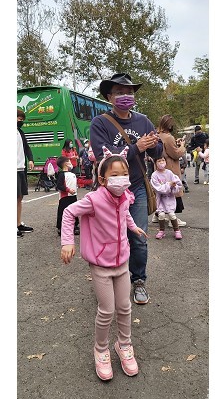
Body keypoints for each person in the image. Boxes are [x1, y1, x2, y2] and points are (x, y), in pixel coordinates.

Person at [60, 147, 148, 380]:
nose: (121, 179)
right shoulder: (94, 200)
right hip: (101, 265)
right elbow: (68, 213)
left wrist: (133, 227)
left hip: (122, 262)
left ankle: (124, 345)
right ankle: (101, 350)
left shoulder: (125, 196)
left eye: (124, 174)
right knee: (107, 310)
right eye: (115, 175)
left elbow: (125, 213)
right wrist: (67, 242)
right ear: (102, 179)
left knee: (125, 307)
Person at [89, 72, 163, 305]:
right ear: (109, 97)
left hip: (137, 188)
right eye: (120, 92)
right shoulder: (100, 123)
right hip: (108, 192)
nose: (126, 96)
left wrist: (153, 145)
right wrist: (136, 147)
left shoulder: (143, 121)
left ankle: (138, 280)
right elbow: (103, 156)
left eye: (129, 92)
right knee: (109, 237)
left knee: (138, 237)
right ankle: (108, 279)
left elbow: (158, 152)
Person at [153, 114, 187, 227]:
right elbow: (175, 154)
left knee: (162, 193)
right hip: (170, 167)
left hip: (159, 167)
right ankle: (173, 220)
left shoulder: (158, 135)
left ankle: (158, 215)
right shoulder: (168, 137)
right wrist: (182, 146)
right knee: (173, 193)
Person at [150, 156, 183, 240]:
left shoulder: (169, 173)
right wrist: (169, 184)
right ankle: (161, 230)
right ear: (155, 163)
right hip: (160, 199)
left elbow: (178, 184)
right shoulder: (154, 175)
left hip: (169, 198)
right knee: (161, 215)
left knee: (171, 214)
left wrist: (174, 186)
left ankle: (177, 230)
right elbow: (158, 188)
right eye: (159, 161)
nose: (161, 162)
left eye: (163, 160)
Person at [17, 109, 35, 238]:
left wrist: (31, 159)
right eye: (19, 118)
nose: (21, 121)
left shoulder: (20, 132)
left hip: (21, 168)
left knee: (20, 197)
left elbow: (26, 147)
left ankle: (18, 224)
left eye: (22, 119)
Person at [55, 156, 80, 236]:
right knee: (63, 211)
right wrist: (68, 190)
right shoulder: (61, 175)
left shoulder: (72, 174)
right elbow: (59, 186)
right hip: (65, 197)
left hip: (73, 196)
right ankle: (61, 227)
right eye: (69, 161)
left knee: (74, 210)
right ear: (66, 163)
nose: (71, 163)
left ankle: (74, 225)